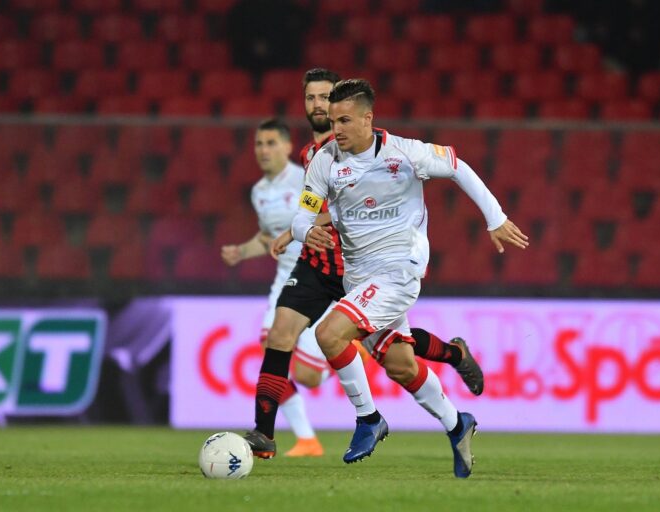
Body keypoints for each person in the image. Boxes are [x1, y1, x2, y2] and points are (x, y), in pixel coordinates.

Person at [244, 69, 488, 463]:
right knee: (288, 337)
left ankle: (384, 410)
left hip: (372, 266)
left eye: (325, 98)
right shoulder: (316, 158)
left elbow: (354, 205)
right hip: (321, 265)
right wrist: (300, 230)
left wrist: (496, 219)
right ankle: (264, 433)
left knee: (368, 349)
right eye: (310, 98)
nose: (318, 105)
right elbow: (317, 211)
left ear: (356, 113)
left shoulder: (391, 153)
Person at [289, 79, 528, 477]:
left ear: (368, 119)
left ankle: (368, 419)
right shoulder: (324, 162)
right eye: (332, 121)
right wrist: (305, 231)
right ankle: (457, 423)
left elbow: (458, 168)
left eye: (345, 120)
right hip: (359, 278)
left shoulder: (405, 152)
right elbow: (303, 214)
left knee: (329, 334)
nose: (336, 130)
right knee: (400, 364)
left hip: (400, 269)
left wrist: (496, 219)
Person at [220, 118, 325, 457]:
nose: (263, 150)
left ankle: (353, 354)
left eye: (270, 143)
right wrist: (241, 252)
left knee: (308, 376)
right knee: (271, 350)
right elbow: (268, 238)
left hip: (316, 275)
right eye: (258, 144)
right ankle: (306, 440)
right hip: (284, 278)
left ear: (287, 146)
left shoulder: (306, 178)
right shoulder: (259, 192)